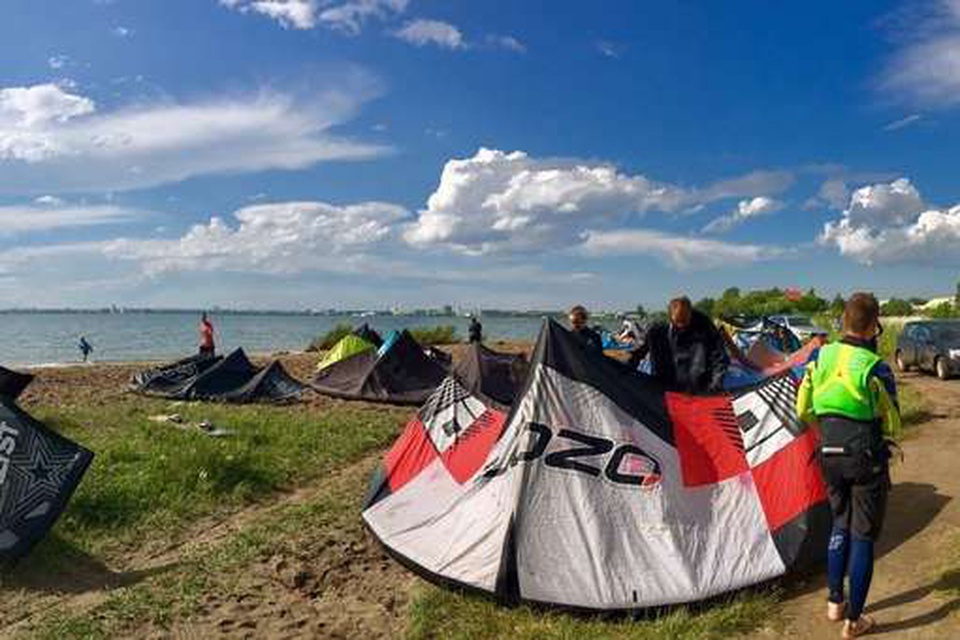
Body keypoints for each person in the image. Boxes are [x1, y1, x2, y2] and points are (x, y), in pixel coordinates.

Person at [796, 292, 900, 638]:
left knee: (840, 523)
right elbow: (893, 421)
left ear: (843, 321)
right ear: (873, 326)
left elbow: (802, 408)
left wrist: (825, 429)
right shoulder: (876, 366)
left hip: (828, 453)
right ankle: (854, 621)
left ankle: (834, 601)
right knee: (863, 536)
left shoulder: (819, 356)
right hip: (865, 457)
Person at [629, 297, 728, 393]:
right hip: (664, 387)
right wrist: (625, 373)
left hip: (698, 387)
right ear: (670, 316)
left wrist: (715, 385)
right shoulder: (655, 332)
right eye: (678, 322)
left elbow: (719, 357)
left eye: (684, 321)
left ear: (691, 314)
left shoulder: (705, 329)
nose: (681, 326)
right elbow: (637, 354)